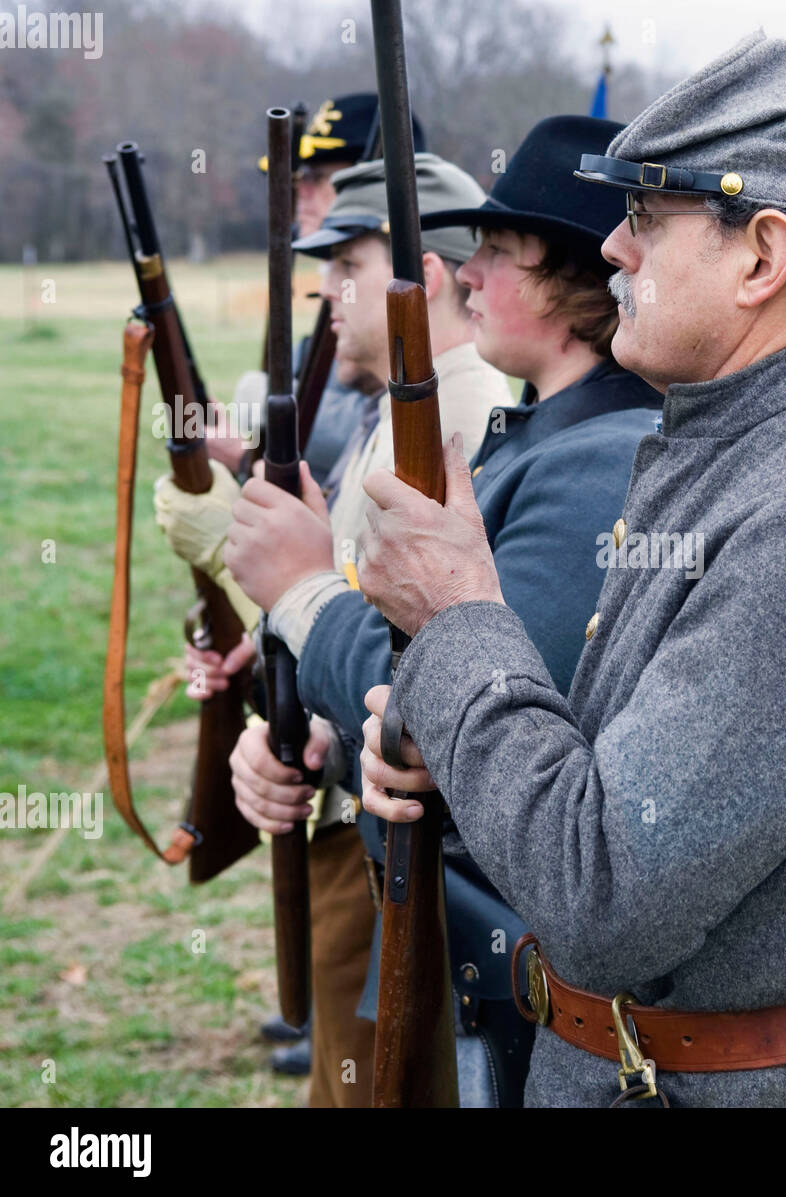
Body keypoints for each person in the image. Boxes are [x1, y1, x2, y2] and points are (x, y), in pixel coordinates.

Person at [356, 32, 786, 1108]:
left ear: (762, 256)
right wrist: (444, 753)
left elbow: (604, 897)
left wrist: (459, 616)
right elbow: (623, 786)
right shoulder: (745, 442)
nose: (612, 249)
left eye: (648, 215)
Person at [217, 116, 661, 1106]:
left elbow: (467, 702)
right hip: (457, 940)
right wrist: (319, 744)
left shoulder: (599, 458)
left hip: (509, 958)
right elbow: (427, 711)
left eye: (499, 253)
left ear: (573, 283)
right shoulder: (547, 437)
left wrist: (299, 591)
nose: (467, 274)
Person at [155, 152, 507, 1106]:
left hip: (391, 823)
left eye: (346, 268)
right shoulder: (401, 409)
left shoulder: (465, 409)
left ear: (419, 279)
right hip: (350, 794)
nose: (326, 295)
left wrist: (254, 564)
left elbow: (415, 638)